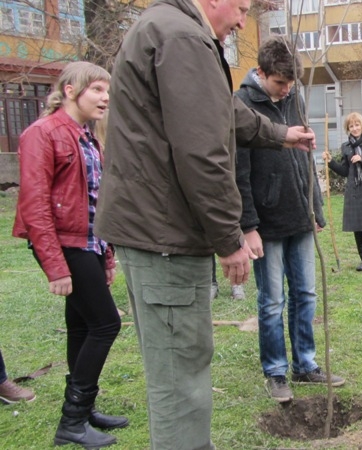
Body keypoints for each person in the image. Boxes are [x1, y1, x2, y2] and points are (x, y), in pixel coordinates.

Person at [94, 0, 316, 448]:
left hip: (156, 232)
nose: (241, 20)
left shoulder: (167, 28)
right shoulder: (182, 37)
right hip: (166, 238)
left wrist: (280, 134)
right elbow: (202, 151)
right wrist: (228, 236)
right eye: (242, 8)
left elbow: (220, 113)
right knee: (181, 380)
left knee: (179, 371)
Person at [12, 61, 127, 448]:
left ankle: (84, 409)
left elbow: (97, 202)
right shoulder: (42, 134)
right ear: (71, 89)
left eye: (106, 91)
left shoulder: (85, 136)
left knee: (82, 327)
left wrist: (106, 257)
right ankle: (71, 422)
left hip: (88, 243)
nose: (105, 97)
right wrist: (55, 266)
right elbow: (35, 205)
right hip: (65, 244)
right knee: (106, 324)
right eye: (97, 89)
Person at [235, 36, 343, 403]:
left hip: (300, 215)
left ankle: (306, 364)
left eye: (290, 84)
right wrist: (248, 226)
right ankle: (276, 371)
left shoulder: (294, 98)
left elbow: (305, 157)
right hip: (266, 222)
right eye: (279, 83)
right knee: (271, 301)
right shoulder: (242, 105)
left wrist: (314, 206)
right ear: (261, 73)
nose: (285, 90)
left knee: (305, 294)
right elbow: (239, 172)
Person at [323, 112, 362, 272]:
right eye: (351, 126)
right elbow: (346, 171)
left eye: (357, 124)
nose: (355, 128)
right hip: (354, 189)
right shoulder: (346, 147)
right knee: (358, 228)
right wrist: (330, 162)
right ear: (348, 128)